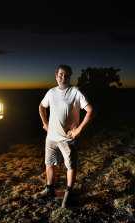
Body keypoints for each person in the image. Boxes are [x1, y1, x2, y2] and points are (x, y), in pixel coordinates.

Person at [34, 64, 96, 208]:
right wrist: (46, 124)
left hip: (68, 139)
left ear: (69, 77)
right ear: (56, 76)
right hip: (51, 137)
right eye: (61, 74)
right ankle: (49, 190)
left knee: (70, 166)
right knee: (50, 163)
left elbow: (91, 110)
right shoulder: (51, 92)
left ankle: (69, 194)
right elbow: (41, 106)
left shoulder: (75, 92)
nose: (64, 76)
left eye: (67, 74)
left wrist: (78, 130)